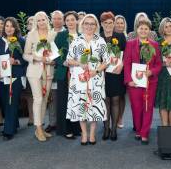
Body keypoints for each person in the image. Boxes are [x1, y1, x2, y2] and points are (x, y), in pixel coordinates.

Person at [65, 14, 110, 144]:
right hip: (80, 79)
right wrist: (79, 63)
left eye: (92, 24)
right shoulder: (76, 40)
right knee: (81, 105)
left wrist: (96, 71)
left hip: (96, 78)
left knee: (94, 106)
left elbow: (106, 61)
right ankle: (84, 134)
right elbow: (68, 60)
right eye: (86, 23)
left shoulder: (100, 41)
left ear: (96, 26)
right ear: (82, 25)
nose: (89, 26)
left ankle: (92, 134)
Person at [124, 19, 162, 144]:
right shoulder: (130, 44)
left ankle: (144, 133)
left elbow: (158, 64)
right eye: (141, 28)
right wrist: (129, 80)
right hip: (134, 82)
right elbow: (127, 63)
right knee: (136, 107)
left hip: (150, 82)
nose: (143, 31)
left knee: (147, 107)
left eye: (146, 29)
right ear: (137, 30)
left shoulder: (154, 45)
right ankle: (138, 129)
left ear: (149, 31)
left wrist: (152, 71)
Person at [23, 10, 56, 142]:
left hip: (48, 71)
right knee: (38, 99)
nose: (41, 22)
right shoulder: (31, 35)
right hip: (34, 72)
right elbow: (26, 54)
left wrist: (53, 61)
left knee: (45, 99)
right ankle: (39, 129)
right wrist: (37, 58)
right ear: (35, 22)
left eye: (43, 19)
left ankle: (40, 128)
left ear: (47, 20)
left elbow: (55, 53)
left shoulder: (53, 34)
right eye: (39, 20)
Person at [0, 17, 27, 140]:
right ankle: (14, 124)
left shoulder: (21, 41)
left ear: (15, 28)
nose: (9, 28)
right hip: (2, 77)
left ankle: (8, 131)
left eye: (12, 26)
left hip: (16, 75)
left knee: (12, 102)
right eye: (7, 26)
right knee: (6, 102)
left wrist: (17, 61)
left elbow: (26, 58)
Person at [99, 12, 126, 141]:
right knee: (105, 101)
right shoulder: (98, 38)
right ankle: (106, 128)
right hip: (102, 74)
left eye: (110, 23)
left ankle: (114, 129)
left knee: (115, 100)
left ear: (114, 23)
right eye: (105, 23)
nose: (108, 25)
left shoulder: (120, 36)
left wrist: (122, 65)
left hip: (116, 73)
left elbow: (126, 55)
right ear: (101, 24)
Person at [54, 11, 80, 139]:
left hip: (78, 73)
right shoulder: (60, 36)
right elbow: (54, 54)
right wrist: (63, 62)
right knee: (64, 101)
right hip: (64, 72)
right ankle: (65, 129)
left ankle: (76, 128)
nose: (70, 22)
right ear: (65, 22)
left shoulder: (82, 36)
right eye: (68, 20)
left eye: (72, 19)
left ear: (77, 21)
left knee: (77, 100)